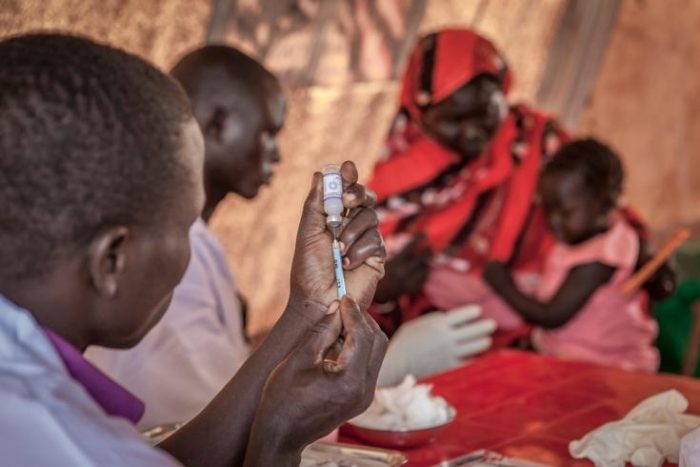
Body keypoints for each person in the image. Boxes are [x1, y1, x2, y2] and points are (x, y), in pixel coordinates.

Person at [0, 33, 387, 467]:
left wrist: (310, 308)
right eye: (186, 227)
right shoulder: (51, 437)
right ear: (112, 262)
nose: (194, 246)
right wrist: (277, 442)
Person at [87, 45, 284, 429]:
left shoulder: (194, 236)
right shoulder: (166, 250)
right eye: (269, 134)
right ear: (217, 124)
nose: (276, 156)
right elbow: (210, 423)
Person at [366, 28, 566, 376]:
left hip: (532, 345)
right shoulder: (398, 178)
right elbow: (341, 294)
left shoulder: (537, 145)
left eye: (486, 112)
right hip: (423, 357)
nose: (473, 132)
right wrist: (382, 291)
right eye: (453, 120)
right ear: (420, 112)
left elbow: (599, 211)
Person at [483, 139, 659, 372]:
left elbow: (552, 315)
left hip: (602, 368)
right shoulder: (584, 235)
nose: (553, 221)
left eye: (565, 212)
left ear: (603, 204)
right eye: (547, 210)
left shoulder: (599, 261)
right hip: (567, 353)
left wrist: (503, 284)